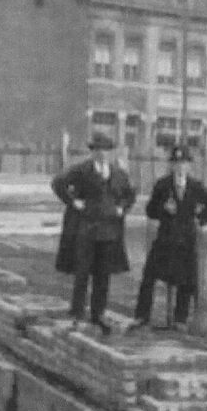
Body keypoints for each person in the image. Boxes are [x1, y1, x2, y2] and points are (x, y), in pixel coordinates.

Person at [128, 144, 207, 333]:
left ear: (189, 166)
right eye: (176, 163)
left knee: (186, 281)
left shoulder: (195, 186)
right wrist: (163, 209)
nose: (180, 167)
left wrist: (201, 218)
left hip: (186, 241)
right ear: (171, 165)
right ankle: (142, 316)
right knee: (149, 276)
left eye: (184, 163)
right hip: (165, 240)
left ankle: (180, 319)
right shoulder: (162, 185)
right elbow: (150, 211)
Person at [52, 132, 136, 336]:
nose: (102, 154)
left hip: (109, 232)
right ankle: (77, 312)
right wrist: (74, 202)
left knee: (103, 275)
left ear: (110, 152)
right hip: (86, 230)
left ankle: (98, 314)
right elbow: (58, 183)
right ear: (93, 152)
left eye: (105, 150)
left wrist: (122, 208)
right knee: (82, 272)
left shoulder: (118, 173)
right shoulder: (82, 170)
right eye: (98, 150)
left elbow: (130, 194)